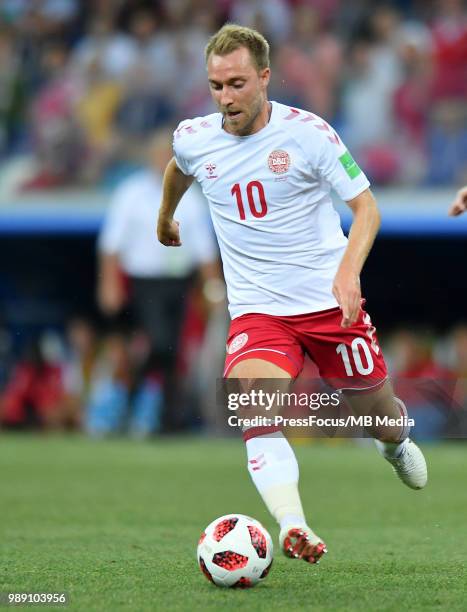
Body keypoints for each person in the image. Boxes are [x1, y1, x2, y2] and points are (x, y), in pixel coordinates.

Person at [157, 24, 427, 565]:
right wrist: (165, 217)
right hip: (260, 312)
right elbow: (179, 169)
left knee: (382, 417)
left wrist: (349, 271)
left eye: (236, 84)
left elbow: (367, 208)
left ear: (264, 77)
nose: (225, 99)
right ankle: (293, 524)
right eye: (216, 86)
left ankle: (393, 443)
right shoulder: (194, 136)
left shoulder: (310, 134)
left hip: (330, 305)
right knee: (253, 407)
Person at [98, 129, 219, 429]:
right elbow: (111, 245)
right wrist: (109, 284)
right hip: (144, 282)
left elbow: (204, 250)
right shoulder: (131, 192)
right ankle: (133, 398)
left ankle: (159, 411)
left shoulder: (192, 197)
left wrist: (213, 288)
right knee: (158, 341)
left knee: (173, 348)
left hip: (180, 282)